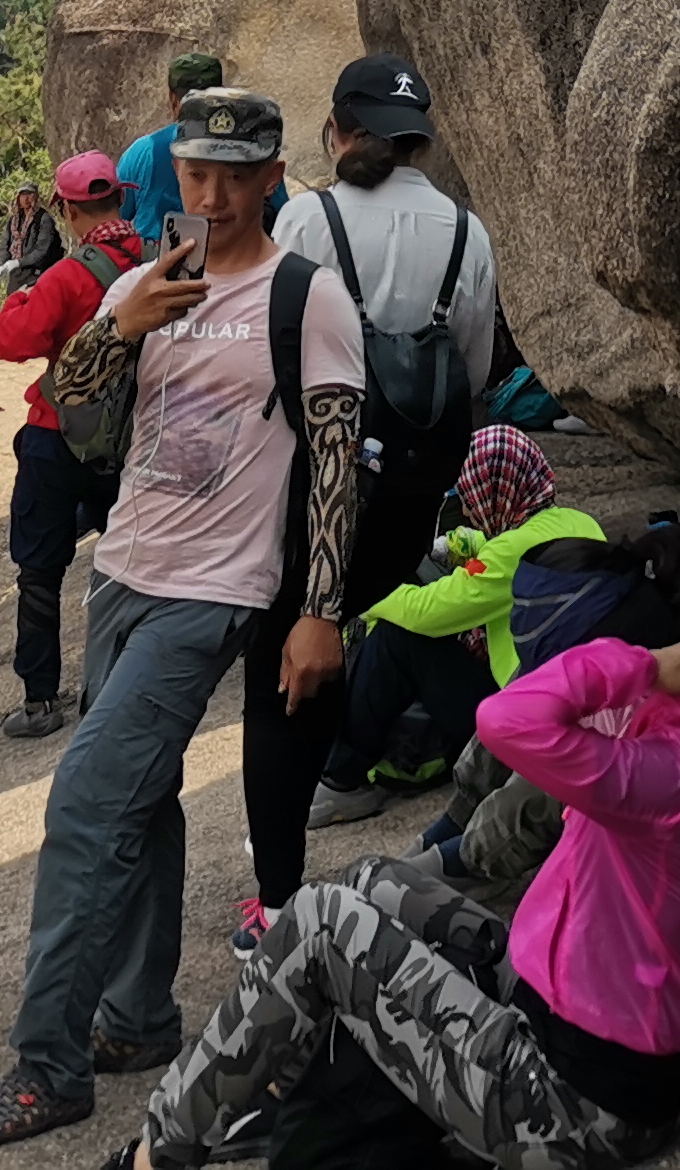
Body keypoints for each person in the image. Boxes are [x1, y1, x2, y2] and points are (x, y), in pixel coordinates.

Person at [0, 89, 370, 1152]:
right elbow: (73, 395)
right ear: (174, 175)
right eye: (196, 173)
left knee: (88, 803)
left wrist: (322, 611)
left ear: (272, 179)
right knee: (145, 799)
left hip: (216, 590)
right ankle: (136, 1018)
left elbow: (333, 461)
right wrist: (122, 323)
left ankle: (49, 1068)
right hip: (123, 570)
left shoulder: (307, 297)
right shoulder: (145, 281)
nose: (213, 195)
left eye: (236, 175)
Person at [102, 592, 680, 1170]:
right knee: (375, 880)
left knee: (318, 924)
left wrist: (638, 666)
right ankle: (276, 1092)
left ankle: (159, 1153)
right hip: (563, 1018)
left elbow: (505, 720)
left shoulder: (673, 774)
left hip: (571, 1107)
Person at [236, 56, 502, 928]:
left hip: (313, 481)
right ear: (419, 138)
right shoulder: (466, 231)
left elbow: (271, 348)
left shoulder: (308, 218)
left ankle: (278, 897)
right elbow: (472, 368)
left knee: (283, 670)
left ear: (338, 131)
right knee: (362, 623)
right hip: (411, 493)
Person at [309, 425, 592, 830]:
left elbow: (430, 611)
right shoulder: (577, 523)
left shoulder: (510, 553)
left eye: (472, 498)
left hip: (520, 717)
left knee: (397, 637)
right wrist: (458, 545)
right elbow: (495, 549)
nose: (471, 510)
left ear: (494, 492)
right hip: (571, 699)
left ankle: (342, 780)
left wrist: (366, 597)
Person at [0, 155, 149, 737]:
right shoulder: (156, 261)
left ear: (68, 210)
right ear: (120, 200)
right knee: (136, 562)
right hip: (131, 438)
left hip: (56, 434)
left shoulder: (65, 277)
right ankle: (134, 676)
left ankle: (39, 703)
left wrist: (19, 299)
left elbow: (8, 342)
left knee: (40, 570)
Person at [112, 52, 224, 248]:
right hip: (227, 259)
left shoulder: (143, 151)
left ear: (173, 99)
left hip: (153, 261)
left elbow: (114, 218)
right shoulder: (245, 153)